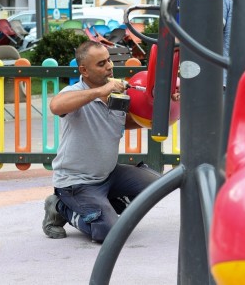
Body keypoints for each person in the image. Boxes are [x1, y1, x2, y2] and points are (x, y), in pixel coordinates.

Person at [42, 40, 162, 243]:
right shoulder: (76, 91)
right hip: (76, 183)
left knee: (159, 186)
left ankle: (104, 206)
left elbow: (128, 121)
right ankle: (61, 208)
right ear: (84, 71)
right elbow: (56, 106)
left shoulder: (118, 93)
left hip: (108, 175)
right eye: (101, 64)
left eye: (109, 60)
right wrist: (100, 91)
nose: (109, 66)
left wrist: (167, 108)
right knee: (108, 232)